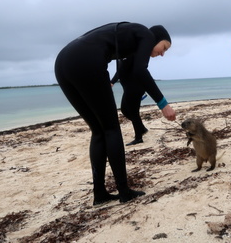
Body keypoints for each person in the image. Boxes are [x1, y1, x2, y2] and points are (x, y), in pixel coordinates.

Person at [54, 22, 176, 207]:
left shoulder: (130, 35)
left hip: (63, 62)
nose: (162, 53)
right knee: (111, 129)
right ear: (157, 39)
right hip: (86, 61)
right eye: (164, 47)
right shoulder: (147, 35)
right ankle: (124, 192)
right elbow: (140, 71)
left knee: (98, 130)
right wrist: (163, 104)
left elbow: (134, 69)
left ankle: (100, 193)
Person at [110, 60, 149, 146]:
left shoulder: (128, 54)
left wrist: (112, 81)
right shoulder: (119, 54)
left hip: (135, 87)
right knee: (124, 110)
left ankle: (138, 138)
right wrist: (113, 81)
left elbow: (124, 69)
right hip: (128, 88)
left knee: (134, 113)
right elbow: (120, 70)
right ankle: (141, 128)